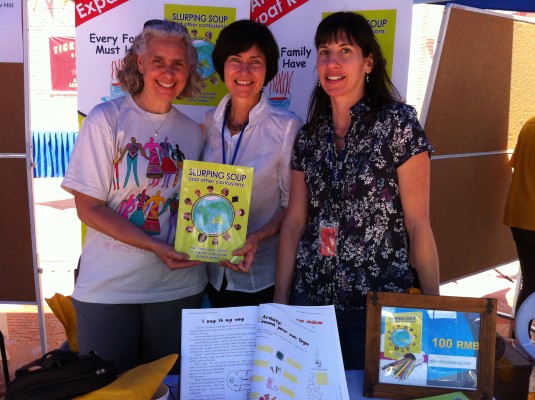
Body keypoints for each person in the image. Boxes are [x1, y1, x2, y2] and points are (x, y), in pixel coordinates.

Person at [273, 12, 440, 370]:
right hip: (311, 300)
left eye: (344, 50)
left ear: (368, 63)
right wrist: (280, 302)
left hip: (377, 307)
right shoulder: (309, 136)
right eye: (324, 51)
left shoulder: (399, 124)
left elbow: (418, 225)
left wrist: (435, 307)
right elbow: (294, 224)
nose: (331, 62)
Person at [61, 19, 205, 374]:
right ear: (139, 63)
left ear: (188, 70)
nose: (168, 73)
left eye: (178, 64)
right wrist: (154, 246)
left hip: (177, 288)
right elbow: (88, 207)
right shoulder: (105, 120)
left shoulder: (193, 132)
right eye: (158, 61)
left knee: (169, 390)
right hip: (109, 289)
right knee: (108, 392)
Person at [202, 20, 302, 307]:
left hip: (260, 277)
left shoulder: (287, 128)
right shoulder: (207, 123)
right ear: (222, 66)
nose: (244, 71)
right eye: (235, 60)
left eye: (254, 61)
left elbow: (291, 205)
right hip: (209, 273)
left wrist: (258, 236)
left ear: (268, 69)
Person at [504, 116, 535, 318]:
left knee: (531, 281)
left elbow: (516, 163)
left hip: (520, 216)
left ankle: (520, 338)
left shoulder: (530, 124)